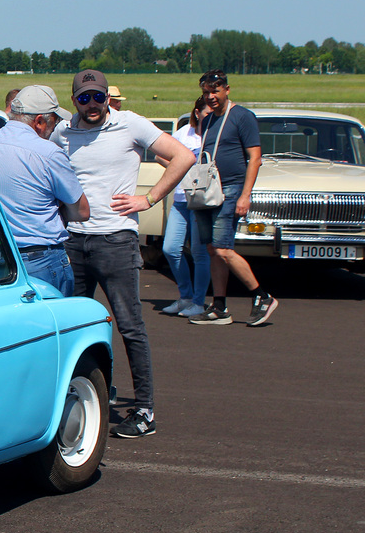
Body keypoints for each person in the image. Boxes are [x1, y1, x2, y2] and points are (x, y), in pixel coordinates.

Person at [52, 69, 195, 438]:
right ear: (74, 101)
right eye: (84, 98)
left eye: (98, 97)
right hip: (72, 241)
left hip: (115, 240)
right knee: (73, 327)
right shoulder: (63, 132)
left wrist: (147, 199)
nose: (92, 105)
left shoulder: (130, 125)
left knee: (130, 326)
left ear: (106, 98)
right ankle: (84, 397)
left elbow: (183, 157)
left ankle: (144, 409)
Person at [0, 85, 89, 296]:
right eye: (54, 122)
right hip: (38, 259)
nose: (54, 128)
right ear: (40, 121)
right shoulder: (49, 152)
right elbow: (82, 212)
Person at [188, 70, 279, 327]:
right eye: (206, 92)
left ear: (227, 89)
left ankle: (262, 296)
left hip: (231, 189)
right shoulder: (207, 121)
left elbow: (255, 158)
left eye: (216, 91)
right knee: (211, 249)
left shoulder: (242, 117)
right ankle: (219, 305)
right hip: (207, 191)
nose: (211, 96)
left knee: (223, 248)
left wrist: (245, 195)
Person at [160, 98, 212, 317]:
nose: (210, 115)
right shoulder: (184, 133)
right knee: (170, 249)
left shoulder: (215, 134)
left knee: (200, 253)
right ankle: (185, 297)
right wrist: (183, 170)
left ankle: (198, 302)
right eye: (206, 112)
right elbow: (161, 155)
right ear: (197, 112)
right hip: (182, 199)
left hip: (203, 201)